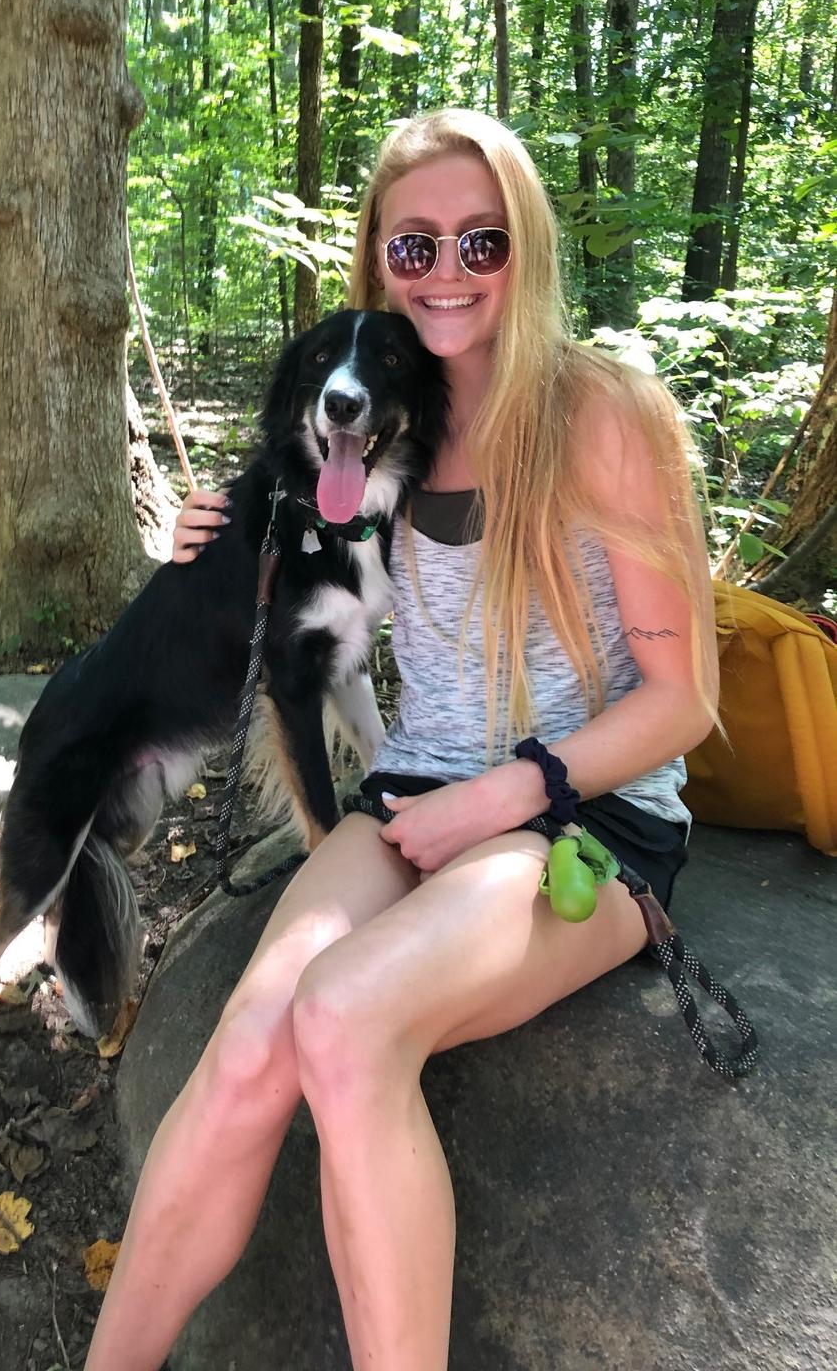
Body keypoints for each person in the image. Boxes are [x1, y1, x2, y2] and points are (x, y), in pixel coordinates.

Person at [83, 108, 719, 1371]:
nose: (448, 271)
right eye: (414, 244)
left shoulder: (602, 413)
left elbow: (684, 697)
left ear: (525, 248)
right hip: (416, 785)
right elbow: (284, 548)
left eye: (483, 241)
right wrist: (206, 541)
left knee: (344, 1015)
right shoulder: (381, 413)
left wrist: (505, 796)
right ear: (379, 256)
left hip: (584, 810)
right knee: (249, 1042)